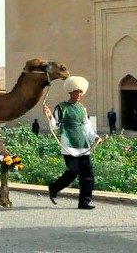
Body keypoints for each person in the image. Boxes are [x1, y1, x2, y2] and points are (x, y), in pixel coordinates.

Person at [44, 76, 100, 210]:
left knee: (88, 175)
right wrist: (49, 116)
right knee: (73, 171)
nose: (79, 95)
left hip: (83, 146)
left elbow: (87, 128)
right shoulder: (62, 107)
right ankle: (54, 188)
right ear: (70, 92)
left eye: (80, 92)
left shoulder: (82, 108)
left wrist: (95, 137)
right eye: (76, 92)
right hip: (68, 145)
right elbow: (55, 125)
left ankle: (84, 202)